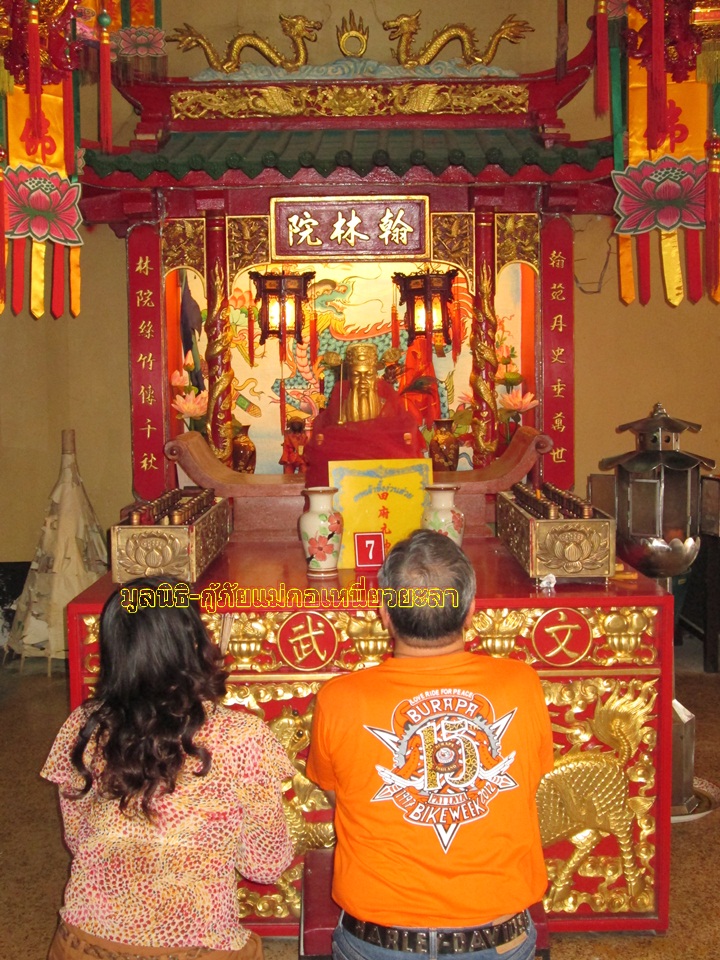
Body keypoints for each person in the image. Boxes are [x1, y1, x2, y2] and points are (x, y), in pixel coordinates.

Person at [307, 530, 553, 960]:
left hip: (377, 941)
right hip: (497, 938)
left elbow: (339, 795)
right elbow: (526, 784)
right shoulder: (521, 685)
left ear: (385, 613)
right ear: (471, 610)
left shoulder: (339, 698)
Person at [41, 576, 295, 960]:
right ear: (194, 643)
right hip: (198, 947)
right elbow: (266, 865)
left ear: (113, 650)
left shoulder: (84, 726)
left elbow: (77, 840)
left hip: (83, 944)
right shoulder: (242, 737)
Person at [304, 343, 425, 486]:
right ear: (349, 377)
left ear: (375, 376)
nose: (362, 381)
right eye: (357, 375)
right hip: (347, 482)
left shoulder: (388, 408)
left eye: (368, 375)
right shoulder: (339, 409)